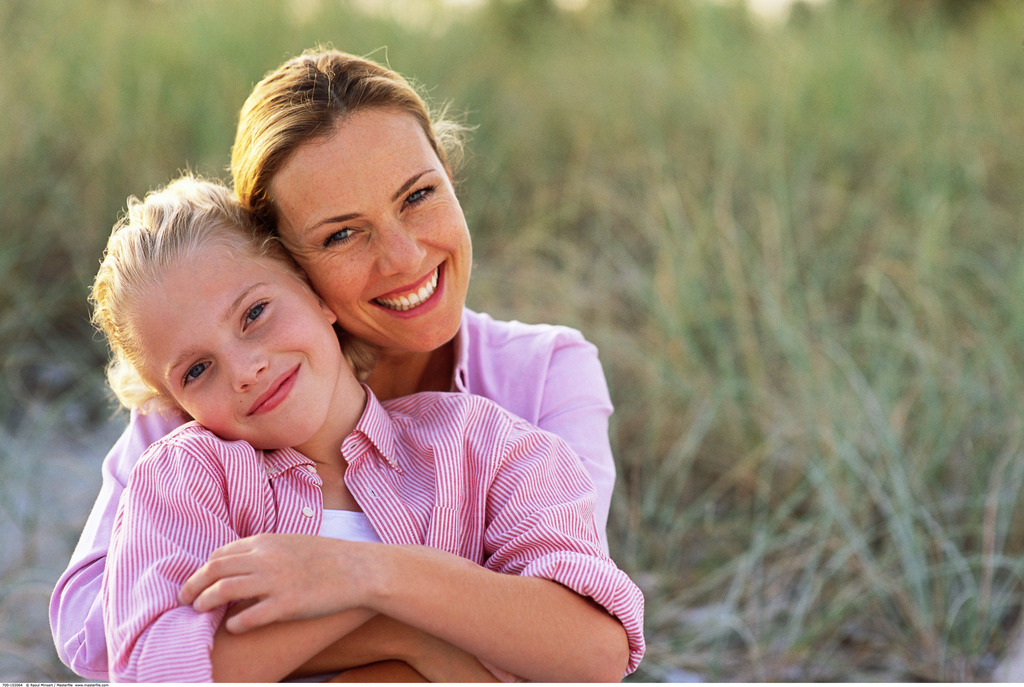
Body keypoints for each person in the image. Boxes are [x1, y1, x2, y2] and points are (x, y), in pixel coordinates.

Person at [51, 47, 620, 680]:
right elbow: (111, 644)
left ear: (448, 175)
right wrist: (404, 634)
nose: (404, 258)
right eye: (341, 234)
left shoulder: (497, 429)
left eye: (418, 195)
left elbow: (576, 637)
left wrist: (365, 576)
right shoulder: (192, 447)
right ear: (301, 271)